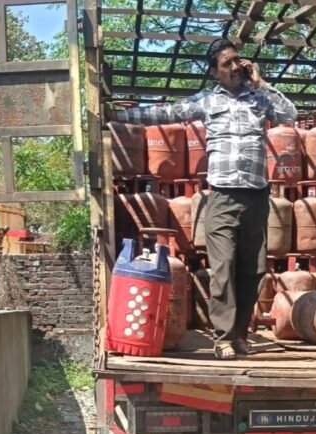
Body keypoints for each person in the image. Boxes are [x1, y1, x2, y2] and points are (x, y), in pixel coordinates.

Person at [112, 38, 298, 359]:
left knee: (252, 270)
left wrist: (262, 83)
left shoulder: (259, 98)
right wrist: (118, 115)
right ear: (215, 72)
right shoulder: (207, 101)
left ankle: (240, 335)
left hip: (256, 196)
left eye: (237, 60)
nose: (235, 67)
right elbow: (166, 112)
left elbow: (290, 114)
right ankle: (223, 337)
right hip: (222, 196)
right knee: (223, 267)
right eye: (227, 64)